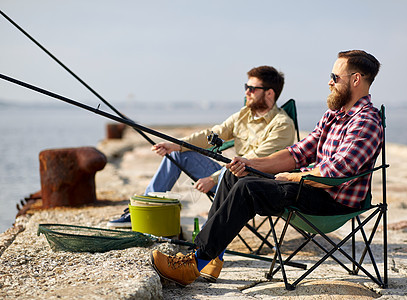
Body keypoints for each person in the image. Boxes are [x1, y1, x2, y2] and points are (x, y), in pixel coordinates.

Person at [150, 50, 383, 287]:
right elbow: (298, 153)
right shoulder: (334, 115)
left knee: (248, 188)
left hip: (332, 200)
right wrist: (250, 164)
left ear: (355, 80)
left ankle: (193, 263)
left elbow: (336, 173)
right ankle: (209, 257)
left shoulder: (366, 121)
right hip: (309, 186)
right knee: (234, 175)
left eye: (335, 77)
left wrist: (292, 177)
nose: (329, 82)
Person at [107, 65, 296, 230]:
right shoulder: (243, 115)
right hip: (230, 175)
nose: (246, 92)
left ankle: (205, 242)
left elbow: (253, 162)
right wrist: (176, 145)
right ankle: (145, 208)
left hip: (255, 184)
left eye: (252, 89)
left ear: (269, 93)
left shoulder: (282, 124)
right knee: (178, 155)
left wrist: (213, 179)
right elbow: (213, 134)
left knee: (238, 170)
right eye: (246, 87)